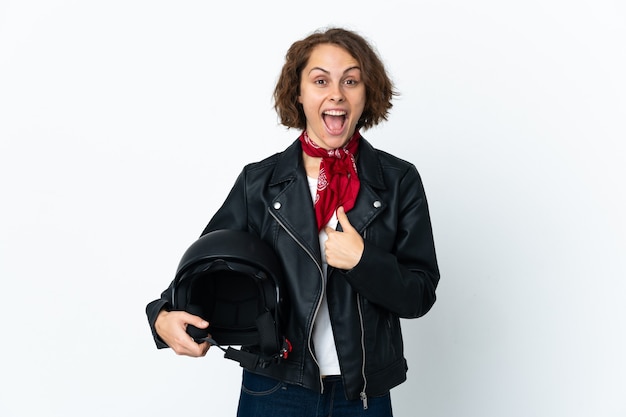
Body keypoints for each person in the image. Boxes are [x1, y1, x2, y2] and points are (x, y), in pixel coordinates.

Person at [146, 27, 440, 416]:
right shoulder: (260, 183)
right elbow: (207, 264)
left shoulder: (398, 180)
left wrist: (363, 261)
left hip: (363, 393)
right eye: (321, 80)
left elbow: (419, 294)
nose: (336, 93)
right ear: (298, 94)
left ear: (366, 93)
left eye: (350, 81)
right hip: (274, 385)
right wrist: (161, 315)